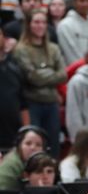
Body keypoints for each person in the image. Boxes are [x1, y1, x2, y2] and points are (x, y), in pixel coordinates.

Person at [12, 8, 66, 159]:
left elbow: (63, 75)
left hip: (51, 103)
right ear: (28, 24)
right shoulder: (21, 49)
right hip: (31, 103)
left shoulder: (53, 48)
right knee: (33, 145)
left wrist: (41, 72)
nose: (40, 25)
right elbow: (32, 78)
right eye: (36, 22)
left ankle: (53, 178)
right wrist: (50, 71)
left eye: (43, 22)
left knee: (53, 145)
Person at [0, 126, 48, 191]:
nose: (33, 148)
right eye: (28, 143)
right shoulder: (10, 165)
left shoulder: (46, 164)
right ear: (19, 146)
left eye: (38, 145)